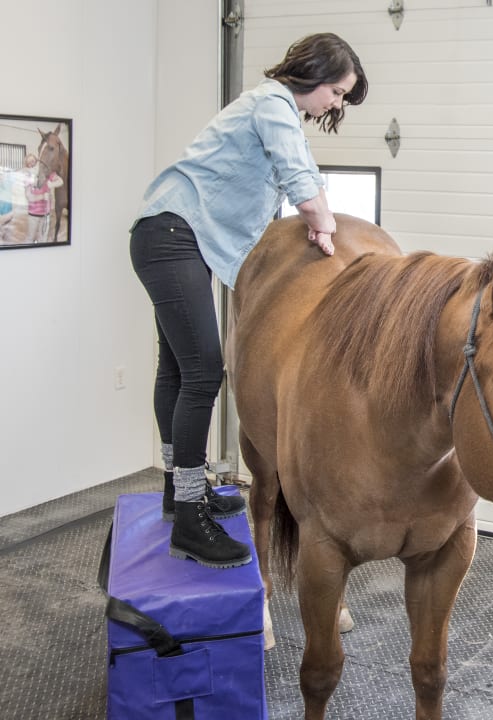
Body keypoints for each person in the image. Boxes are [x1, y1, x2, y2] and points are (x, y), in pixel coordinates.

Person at [130, 32, 368, 569]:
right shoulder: (274, 103)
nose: (336, 104)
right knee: (203, 373)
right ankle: (190, 519)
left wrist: (312, 218)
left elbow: (287, 184)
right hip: (172, 237)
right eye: (337, 92)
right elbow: (299, 177)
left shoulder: (272, 108)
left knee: (176, 369)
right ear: (314, 75)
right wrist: (324, 228)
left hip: (168, 236)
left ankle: (179, 490)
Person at [25, 169, 63, 243]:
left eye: (33, 161)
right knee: (30, 237)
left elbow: (61, 181)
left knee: (43, 238)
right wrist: (42, 196)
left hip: (45, 214)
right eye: (29, 163)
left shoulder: (49, 173)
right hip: (33, 214)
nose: (31, 164)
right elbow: (29, 196)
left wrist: (52, 184)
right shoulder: (28, 176)